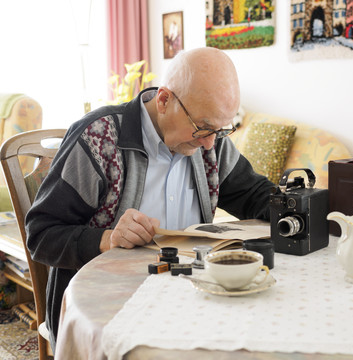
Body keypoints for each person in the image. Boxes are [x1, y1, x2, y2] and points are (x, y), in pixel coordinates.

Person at [25, 47, 273, 351]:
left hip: (192, 297)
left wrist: (302, 206)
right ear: (165, 100)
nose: (209, 142)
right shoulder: (97, 139)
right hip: (107, 307)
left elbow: (254, 195)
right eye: (203, 128)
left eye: (220, 130)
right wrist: (109, 239)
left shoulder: (210, 144)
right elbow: (40, 234)